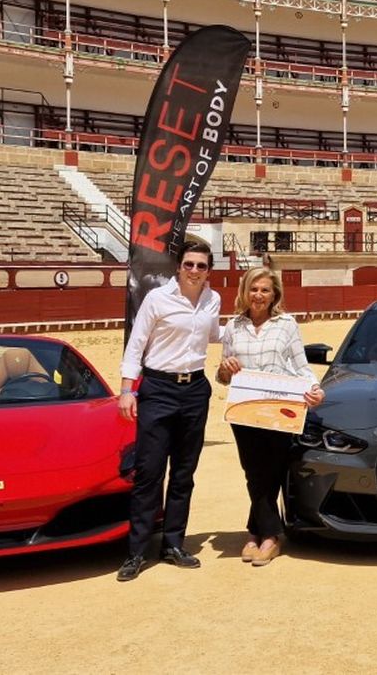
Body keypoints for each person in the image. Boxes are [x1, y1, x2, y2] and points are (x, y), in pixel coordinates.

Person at [115, 240, 221, 582]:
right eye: (189, 264)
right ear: (179, 266)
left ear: (209, 270)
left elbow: (215, 334)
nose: (194, 271)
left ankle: (173, 543)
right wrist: (127, 390)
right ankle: (137, 550)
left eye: (201, 266)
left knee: (184, 472)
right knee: (149, 471)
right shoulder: (157, 298)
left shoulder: (213, 299)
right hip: (158, 388)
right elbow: (137, 344)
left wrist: (254, 329)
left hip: (195, 389)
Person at [215, 266, 324, 567]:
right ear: (244, 292)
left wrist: (315, 389)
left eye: (265, 290)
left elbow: (300, 365)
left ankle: (266, 536)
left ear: (274, 294)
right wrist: (225, 369)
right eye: (253, 289)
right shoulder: (233, 326)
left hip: (279, 407)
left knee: (272, 470)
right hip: (245, 408)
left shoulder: (286, 324)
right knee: (253, 471)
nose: (259, 295)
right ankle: (262, 532)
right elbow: (222, 375)